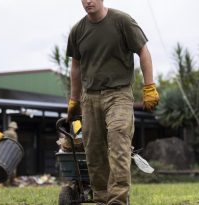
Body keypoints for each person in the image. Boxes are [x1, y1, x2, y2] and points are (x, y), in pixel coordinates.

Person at [66, 0, 159, 204]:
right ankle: (101, 199)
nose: (88, 1)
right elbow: (76, 66)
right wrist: (74, 99)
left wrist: (149, 86)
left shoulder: (122, 21)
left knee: (118, 143)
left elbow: (143, 51)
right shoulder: (78, 30)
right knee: (94, 151)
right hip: (90, 98)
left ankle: (117, 200)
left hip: (119, 94)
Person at [3, 121, 18, 186]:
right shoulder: (14, 134)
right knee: (12, 168)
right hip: (11, 153)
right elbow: (15, 144)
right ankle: (10, 183)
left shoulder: (4, 132)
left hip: (3, 152)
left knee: (5, 167)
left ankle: (5, 183)